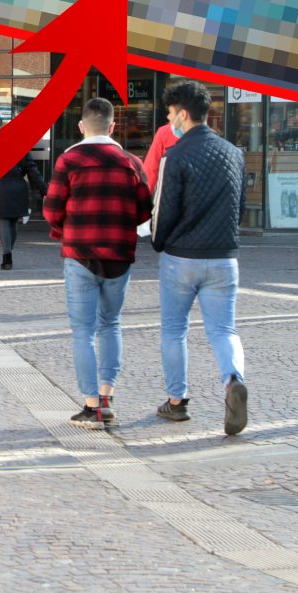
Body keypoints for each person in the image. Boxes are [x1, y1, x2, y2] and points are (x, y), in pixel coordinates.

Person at [42, 98, 152, 428]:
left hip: (80, 255)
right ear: (113, 126)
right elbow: (145, 210)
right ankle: (107, 395)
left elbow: (51, 208)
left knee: (83, 332)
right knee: (111, 324)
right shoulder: (131, 161)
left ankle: (91, 406)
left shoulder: (69, 159)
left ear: (81, 126)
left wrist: (64, 229)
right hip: (119, 254)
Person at [151, 80, 250, 436]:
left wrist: (158, 242)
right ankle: (233, 379)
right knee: (224, 329)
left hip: (182, 257)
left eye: (170, 113)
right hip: (224, 257)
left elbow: (163, 209)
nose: (169, 119)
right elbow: (239, 208)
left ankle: (177, 402)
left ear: (183, 113)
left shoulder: (175, 155)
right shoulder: (234, 154)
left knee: (174, 330)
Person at [0, 154, 47, 270]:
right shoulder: (22, 148)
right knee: (13, 221)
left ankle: (7, 255)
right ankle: (8, 252)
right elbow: (33, 171)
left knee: (3, 220)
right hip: (18, 187)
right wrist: (44, 189)